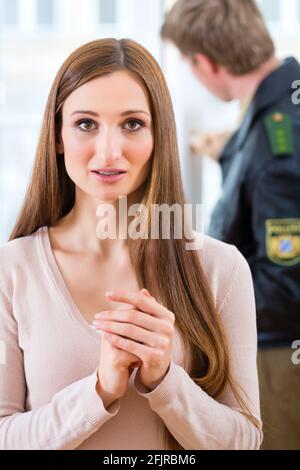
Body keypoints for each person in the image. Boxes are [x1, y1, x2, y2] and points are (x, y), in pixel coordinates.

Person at [0, 38, 262, 450]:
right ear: (57, 137)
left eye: (132, 124)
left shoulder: (220, 267)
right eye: (86, 123)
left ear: (159, 136)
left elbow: (244, 440)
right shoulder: (11, 269)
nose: (109, 151)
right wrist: (100, 390)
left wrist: (165, 381)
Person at [161, 0, 300, 450]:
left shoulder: (277, 141)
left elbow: (285, 281)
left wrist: (201, 314)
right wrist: (231, 151)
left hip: (280, 357)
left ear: (206, 62)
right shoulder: (274, 109)